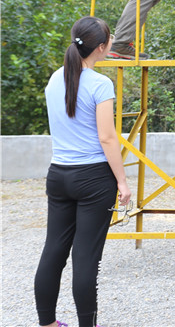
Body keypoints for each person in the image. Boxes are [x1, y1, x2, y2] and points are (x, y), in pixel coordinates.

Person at [35, 17, 131, 327]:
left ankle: (47, 323)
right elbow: (107, 137)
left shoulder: (55, 79)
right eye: (110, 38)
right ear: (101, 47)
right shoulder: (100, 84)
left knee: (53, 251)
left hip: (59, 174)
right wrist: (122, 181)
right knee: (86, 257)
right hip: (93, 179)